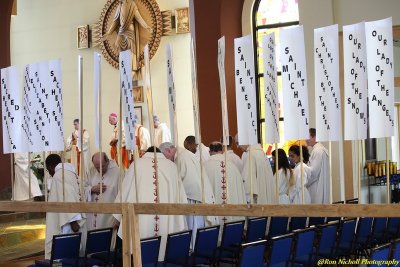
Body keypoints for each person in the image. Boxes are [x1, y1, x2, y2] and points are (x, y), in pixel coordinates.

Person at [113, 146, 187, 260]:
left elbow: (124, 192)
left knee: (140, 250)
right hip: (166, 217)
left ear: (145, 153)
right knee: (164, 248)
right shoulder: (172, 166)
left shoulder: (136, 165)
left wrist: (117, 217)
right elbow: (181, 197)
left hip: (141, 218)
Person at [160, 141, 218, 248]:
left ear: (168, 151)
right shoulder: (185, 154)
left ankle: (194, 251)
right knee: (199, 228)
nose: (166, 161)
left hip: (192, 198)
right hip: (199, 195)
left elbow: (179, 181)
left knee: (193, 229)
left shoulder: (180, 158)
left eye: (164, 157)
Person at [44, 154, 87, 259]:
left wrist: (73, 223)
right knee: (73, 252)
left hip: (66, 222)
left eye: (48, 170)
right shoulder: (71, 173)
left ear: (50, 166)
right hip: (71, 217)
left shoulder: (59, 176)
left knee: (61, 254)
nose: (49, 173)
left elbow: (68, 197)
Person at [103, 0, 152, 77]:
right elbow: (115, 22)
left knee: (130, 49)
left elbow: (138, 18)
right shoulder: (119, 6)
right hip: (121, 32)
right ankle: (124, 69)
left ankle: (132, 69)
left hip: (129, 32)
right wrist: (109, 33)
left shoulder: (132, 4)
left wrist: (146, 26)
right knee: (119, 47)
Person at [205, 141, 246, 224]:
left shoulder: (205, 167)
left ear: (209, 152)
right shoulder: (233, 166)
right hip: (232, 214)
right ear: (223, 151)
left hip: (215, 213)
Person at [85, 152, 120, 230]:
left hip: (108, 218)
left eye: (102, 166)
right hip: (91, 217)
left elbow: (122, 197)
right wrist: (91, 189)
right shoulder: (92, 171)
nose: (99, 170)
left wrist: (118, 219)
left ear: (107, 161)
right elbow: (82, 189)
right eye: (97, 167)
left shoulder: (118, 173)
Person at [238, 138, 275, 204]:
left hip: (256, 201)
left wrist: (247, 200)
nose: (238, 146)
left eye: (238, 143)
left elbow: (248, 181)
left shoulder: (250, 155)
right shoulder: (261, 153)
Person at [306, 128, 330, 204]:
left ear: (314, 137)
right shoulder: (321, 149)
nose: (306, 139)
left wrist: (303, 182)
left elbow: (313, 173)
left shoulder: (317, 151)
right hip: (319, 185)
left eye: (307, 136)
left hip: (316, 188)